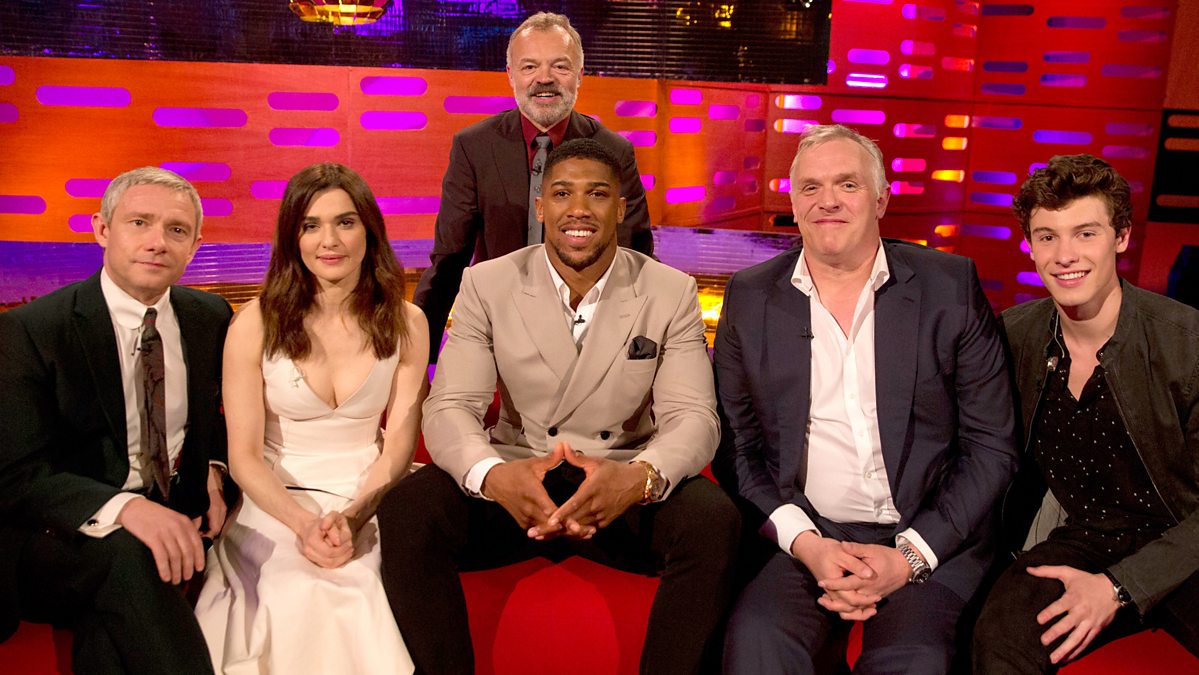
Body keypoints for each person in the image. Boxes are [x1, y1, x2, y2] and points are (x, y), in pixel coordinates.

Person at [378, 138, 738, 675]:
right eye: (563, 193)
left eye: (598, 194)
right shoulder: (487, 283)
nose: (579, 209)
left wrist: (639, 479)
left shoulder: (670, 291)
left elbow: (693, 416)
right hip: (518, 476)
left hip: (618, 482)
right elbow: (452, 404)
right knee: (408, 511)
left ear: (621, 208)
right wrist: (491, 475)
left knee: (714, 523)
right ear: (541, 207)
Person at [713, 124, 1018, 673]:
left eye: (847, 184)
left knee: (913, 660)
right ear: (793, 204)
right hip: (810, 532)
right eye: (810, 187)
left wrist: (910, 556)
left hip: (931, 529)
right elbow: (738, 448)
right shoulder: (750, 295)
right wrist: (806, 543)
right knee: (757, 643)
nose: (827, 200)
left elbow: (991, 446)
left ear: (881, 200)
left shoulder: (948, 286)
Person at [193, 163, 428, 673]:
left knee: (361, 586)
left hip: (371, 494)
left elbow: (399, 446)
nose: (330, 241)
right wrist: (302, 525)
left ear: (369, 229)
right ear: (292, 237)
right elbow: (243, 456)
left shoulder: (408, 321)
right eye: (311, 225)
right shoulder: (254, 323)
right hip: (276, 499)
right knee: (297, 587)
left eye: (345, 222)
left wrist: (355, 517)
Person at [973, 154, 1199, 672]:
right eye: (1047, 236)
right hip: (1086, 539)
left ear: (1121, 237)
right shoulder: (1013, 337)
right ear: (1030, 246)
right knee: (998, 640)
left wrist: (1120, 587)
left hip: (1186, 542)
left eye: (1085, 233)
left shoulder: (1188, 345)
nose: (1064, 255)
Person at [0, 167, 231, 673]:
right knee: (130, 555)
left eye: (176, 229)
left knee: (114, 619)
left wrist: (215, 468)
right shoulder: (32, 330)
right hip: (56, 537)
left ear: (195, 245)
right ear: (102, 229)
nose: (157, 242)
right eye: (139, 222)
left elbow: (221, 417)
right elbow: (15, 475)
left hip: (180, 522)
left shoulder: (210, 317)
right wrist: (126, 509)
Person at [412, 11, 653, 362]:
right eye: (529, 67)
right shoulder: (473, 147)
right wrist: (419, 356)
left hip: (589, 341)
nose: (544, 78)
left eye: (560, 66)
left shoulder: (614, 151)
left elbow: (636, 258)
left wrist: (644, 356)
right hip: (498, 336)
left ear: (579, 75)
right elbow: (449, 260)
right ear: (510, 75)